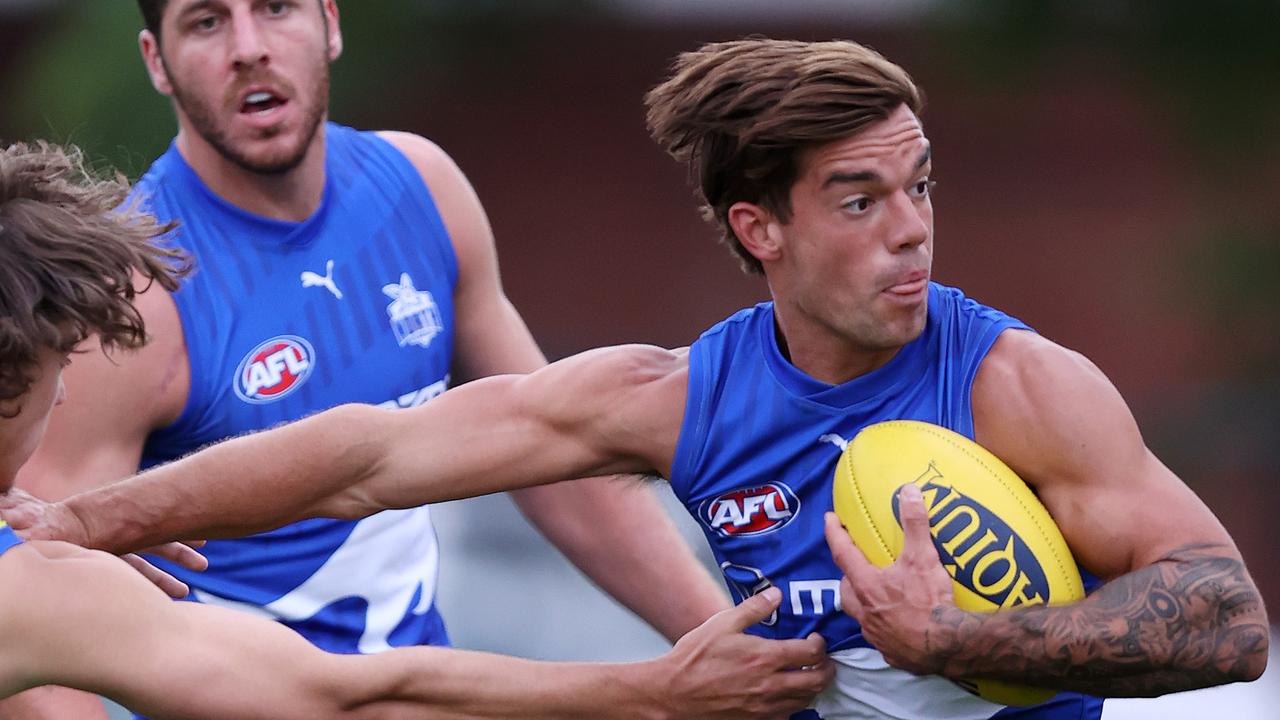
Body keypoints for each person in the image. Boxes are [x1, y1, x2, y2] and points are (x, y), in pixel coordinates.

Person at [6, 38, 1269, 720]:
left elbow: (1225, 619)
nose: (911, 230)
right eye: (860, 197)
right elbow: (366, 461)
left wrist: (965, 639)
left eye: (919, 185)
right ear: (755, 228)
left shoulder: (1016, 387)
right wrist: (80, 521)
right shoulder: (679, 400)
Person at [16, 0, 739, 715]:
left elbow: (559, 460)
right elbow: (37, 620)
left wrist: (731, 645)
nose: (248, 47)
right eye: (206, 21)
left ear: (330, 23)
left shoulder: (419, 187)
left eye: (275, 8)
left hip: (427, 694)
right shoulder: (136, 296)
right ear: (157, 62)